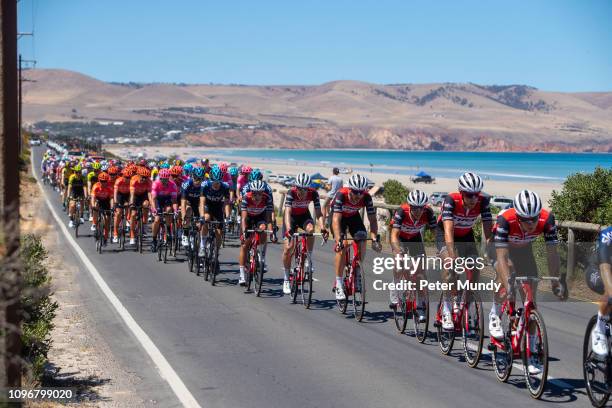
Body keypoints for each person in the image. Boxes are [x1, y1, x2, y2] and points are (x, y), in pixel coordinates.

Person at [490, 190, 565, 374]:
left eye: (534, 219)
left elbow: (552, 253)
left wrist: (555, 281)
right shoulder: (505, 220)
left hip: (524, 250)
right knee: (506, 273)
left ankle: (531, 353)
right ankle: (495, 313)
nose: (531, 223)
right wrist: (508, 286)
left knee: (531, 302)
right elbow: (501, 257)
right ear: (518, 216)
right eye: (526, 220)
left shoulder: (547, 220)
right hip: (499, 248)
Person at [436, 172, 493, 331]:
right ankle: (447, 308)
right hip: (445, 234)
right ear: (461, 193)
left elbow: (488, 233)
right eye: (469, 195)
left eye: (476, 195)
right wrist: (452, 255)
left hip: (466, 235)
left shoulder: (483, 201)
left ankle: (466, 305)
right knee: (450, 266)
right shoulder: (450, 200)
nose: (473, 199)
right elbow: (448, 230)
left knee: (475, 269)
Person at [332, 174, 381, 300]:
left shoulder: (366, 197)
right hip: (338, 218)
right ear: (349, 189)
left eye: (361, 192)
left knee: (363, 237)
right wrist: (339, 240)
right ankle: (338, 283)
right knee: (341, 246)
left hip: (353, 216)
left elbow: (373, 220)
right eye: (355, 192)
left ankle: (357, 269)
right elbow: (336, 219)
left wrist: (374, 239)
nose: (358, 195)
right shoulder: (341, 195)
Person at [389, 190, 436, 319]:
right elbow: (394, 235)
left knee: (420, 272)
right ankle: (395, 286)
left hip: (414, 238)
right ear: (410, 206)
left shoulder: (428, 212)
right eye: (415, 208)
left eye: (421, 208)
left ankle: (420, 304)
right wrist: (398, 252)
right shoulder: (401, 212)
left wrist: (442, 249)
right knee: (399, 265)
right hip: (400, 238)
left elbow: (436, 233)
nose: (418, 211)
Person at [281, 173, 328, 294]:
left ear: (309, 188)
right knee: (288, 248)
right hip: (290, 218)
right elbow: (287, 212)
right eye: (300, 189)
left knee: (311, 230)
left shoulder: (313, 193)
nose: (302, 192)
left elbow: (318, 212)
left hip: (303, 216)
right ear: (296, 187)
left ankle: (309, 257)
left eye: (305, 189)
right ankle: (286, 279)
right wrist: (289, 229)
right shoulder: (291, 193)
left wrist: (322, 227)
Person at [239, 180, 272, 285]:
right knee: (245, 245)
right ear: (251, 192)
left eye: (259, 193)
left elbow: (269, 218)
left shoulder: (267, 199)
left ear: (263, 193)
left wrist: (271, 232)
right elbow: (243, 219)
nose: (257, 196)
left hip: (259, 217)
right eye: (254, 193)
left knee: (263, 229)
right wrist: (244, 232)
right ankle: (242, 275)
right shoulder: (246, 198)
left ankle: (261, 258)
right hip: (248, 218)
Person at [586, 226, 612, 356]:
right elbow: (605, 268)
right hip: (597, 270)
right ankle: (599, 330)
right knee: (610, 289)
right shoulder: (608, 235)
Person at [199, 166, 231, 257]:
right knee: (206, 219)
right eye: (214, 182)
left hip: (218, 207)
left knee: (219, 233)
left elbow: (227, 203)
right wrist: (201, 216)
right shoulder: (205, 185)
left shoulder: (225, 186)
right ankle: (202, 246)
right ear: (210, 180)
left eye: (218, 182)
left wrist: (228, 217)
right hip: (207, 206)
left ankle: (216, 252)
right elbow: (201, 202)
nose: (216, 184)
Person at [150, 169, 179, 252]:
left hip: (167, 200)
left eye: (166, 179)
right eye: (163, 179)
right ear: (160, 178)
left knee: (169, 210)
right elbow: (153, 199)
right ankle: (154, 240)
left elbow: (174, 201)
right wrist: (154, 209)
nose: (165, 181)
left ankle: (169, 230)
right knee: (157, 220)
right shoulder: (156, 184)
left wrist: (176, 210)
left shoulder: (173, 185)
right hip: (158, 200)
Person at [90, 172, 113, 245]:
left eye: (105, 181)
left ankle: (106, 237)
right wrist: (93, 205)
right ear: (99, 181)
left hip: (106, 202)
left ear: (107, 181)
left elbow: (112, 198)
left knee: (107, 220)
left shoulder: (109, 187)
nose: (103, 183)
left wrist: (112, 207)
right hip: (98, 200)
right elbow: (93, 197)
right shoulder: (96, 186)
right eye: (102, 181)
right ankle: (94, 223)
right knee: (95, 206)